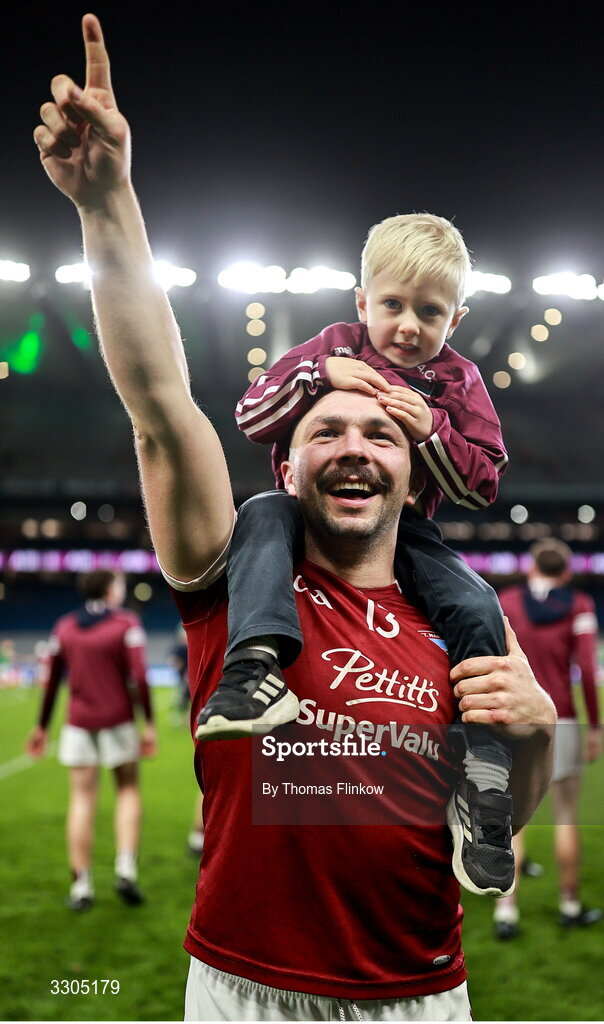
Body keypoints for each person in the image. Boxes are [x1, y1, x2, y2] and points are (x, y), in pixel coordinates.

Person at [33, 16, 556, 1018]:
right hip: (242, 991)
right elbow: (158, 403)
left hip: (419, 996)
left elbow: (483, 850)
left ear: (413, 474)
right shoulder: (234, 571)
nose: (355, 442)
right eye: (328, 426)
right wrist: (108, 207)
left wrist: (532, 747)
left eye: (382, 431)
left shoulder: (457, 624)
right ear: (290, 452)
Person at [197, 217, 515, 899]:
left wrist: (432, 430)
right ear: (361, 301)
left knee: (477, 603)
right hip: (302, 515)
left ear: (455, 317)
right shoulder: (332, 348)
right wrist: (317, 374)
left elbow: (483, 484)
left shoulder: (458, 383)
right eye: (393, 305)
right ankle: (253, 668)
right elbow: (251, 416)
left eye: (429, 312)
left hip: (403, 532)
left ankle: (484, 778)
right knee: (258, 516)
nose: (407, 326)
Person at [26, 570, 156, 910]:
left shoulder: (64, 626)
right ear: (111, 589)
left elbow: (52, 681)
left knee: (82, 799)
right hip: (119, 720)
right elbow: (140, 676)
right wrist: (150, 723)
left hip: (78, 723)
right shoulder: (126, 624)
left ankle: (81, 886)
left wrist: (41, 727)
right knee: (127, 788)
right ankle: (125, 868)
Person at [493, 538, 601, 939]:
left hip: (513, 718)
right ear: (567, 571)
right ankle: (569, 905)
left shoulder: (506, 601)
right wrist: (595, 727)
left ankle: (506, 911)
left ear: (531, 567)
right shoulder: (580, 605)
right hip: (564, 721)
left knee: (511, 819)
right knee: (567, 816)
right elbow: (587, 672)